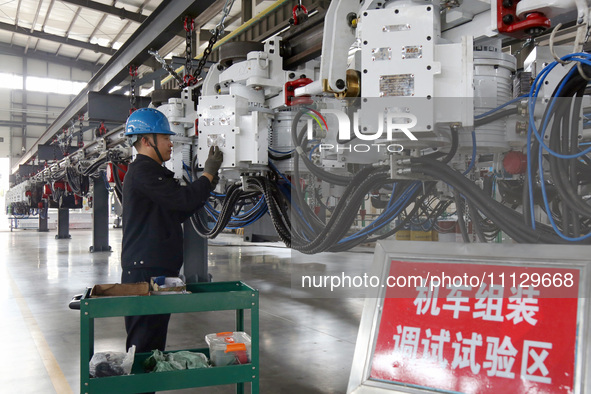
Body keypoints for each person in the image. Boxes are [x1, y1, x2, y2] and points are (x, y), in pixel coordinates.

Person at [121, 107, 223, 354]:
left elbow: (177, 211)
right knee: (143, 345)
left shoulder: (152, 172)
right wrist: (207, 175)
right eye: (165, 138)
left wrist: (204, 186)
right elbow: (182, 201)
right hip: (145, 273)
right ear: (146, 141)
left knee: (153, 344)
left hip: (155, 269)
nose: (171, 143)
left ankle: (146, 388)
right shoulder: (143, 171)